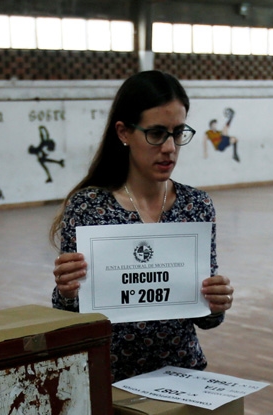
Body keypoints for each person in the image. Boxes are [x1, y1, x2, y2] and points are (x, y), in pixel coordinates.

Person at [50, 70, 234, 380]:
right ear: (123, 133)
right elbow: (69, 315)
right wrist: (66, 292)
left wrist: (216, 303)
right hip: (107, 381)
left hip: (182, 375)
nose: (169, 148)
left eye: (177, 133)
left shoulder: (197, 206)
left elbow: (206, 320)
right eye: (156, 133)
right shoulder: (89, 208)